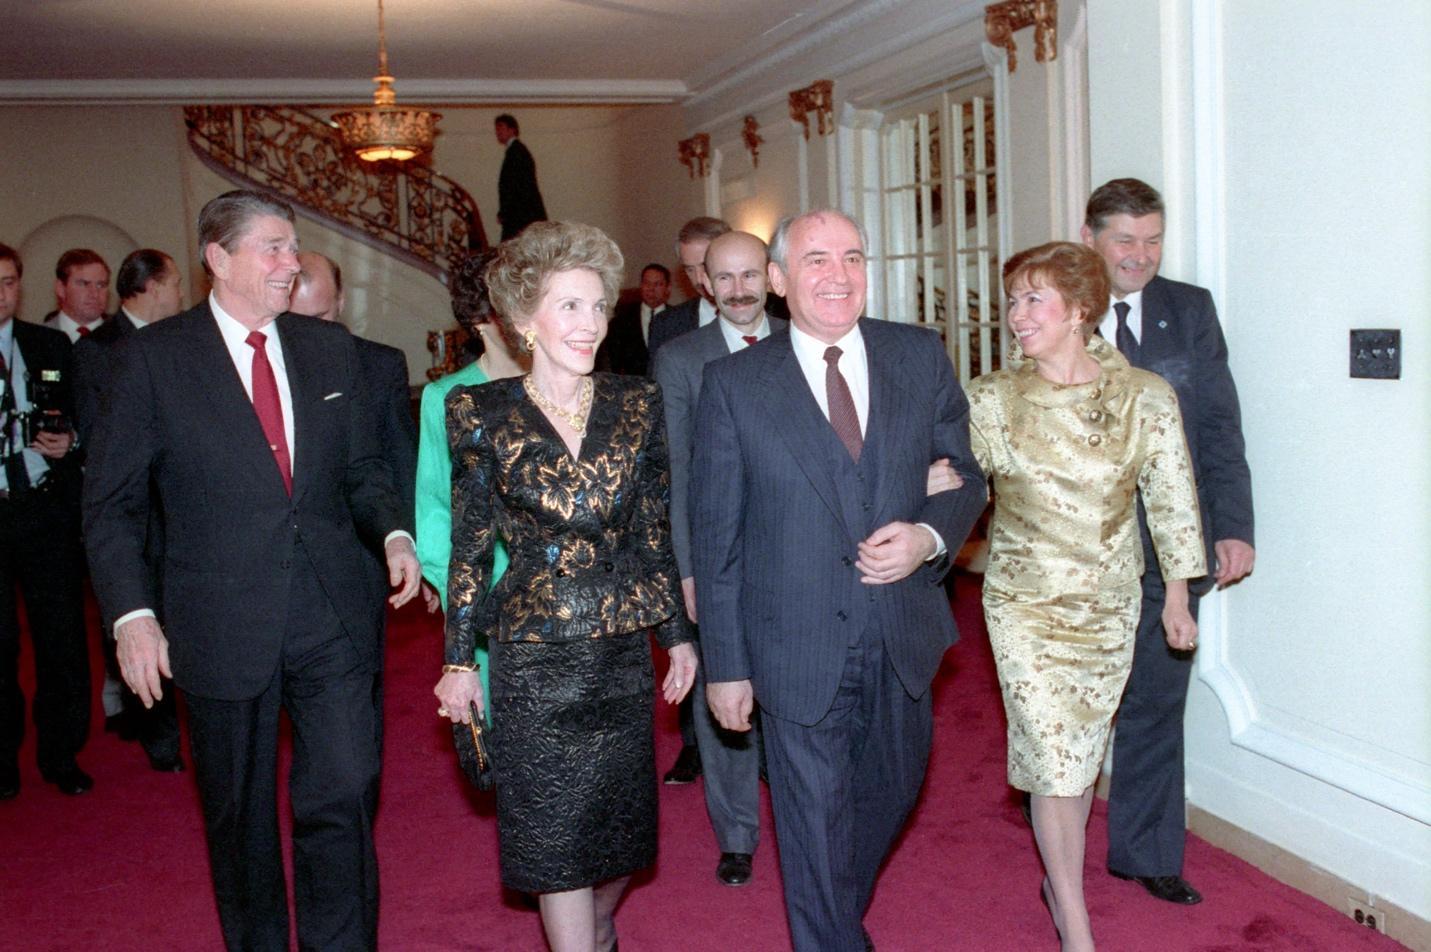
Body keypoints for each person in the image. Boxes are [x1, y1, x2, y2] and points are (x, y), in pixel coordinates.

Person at [83, 190, 421, 951]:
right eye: (272, 247)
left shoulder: (329, 349)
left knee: (345, 789)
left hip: (333, 610)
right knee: (238, 818)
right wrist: (132, 616)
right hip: (218, 619)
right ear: (218, 258)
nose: (290, 262)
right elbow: (111, 507)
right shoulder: (152, 359)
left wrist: (394, 533)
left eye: (292, 248)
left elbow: (365, 469)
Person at [691, 209, 986, 952]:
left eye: (852, 256)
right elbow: (716, 537)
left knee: (890, 791)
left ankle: (829, 909)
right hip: (790, 643)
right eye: (816, 259)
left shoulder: (916, 355)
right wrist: (725, 666)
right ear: (781, 281)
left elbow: (965, 476)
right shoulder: (732, 384)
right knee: (813, 818)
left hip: (900, 633)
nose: (838, 274)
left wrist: (924, 535)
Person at [435, 221, 697, 952]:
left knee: (620, 839)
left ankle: (599, 925)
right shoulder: (478, 412)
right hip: (531, 654)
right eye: (569, 306)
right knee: (552, 840)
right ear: (525, 321)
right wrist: (459, 660)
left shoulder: (636, 404)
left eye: (596, 306)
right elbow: (468, 545)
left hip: (617, 654)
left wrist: (675, 636)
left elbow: (651, 531)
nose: (589, 324)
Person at [967, 241, 1205, 951]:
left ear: (1078, 311)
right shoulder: (991, 398)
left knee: (1079, 759)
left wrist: (1177, 597)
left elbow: (1172, 501)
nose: (1015, 315)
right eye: (1011, 300)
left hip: (1107, 603)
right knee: (1050, 754)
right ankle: (1073, 916)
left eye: (1032, 299)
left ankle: (1057, 879)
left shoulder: (1145, 397)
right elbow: (952, 485)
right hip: (1023, 603)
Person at [1081, 179, 1254, 906]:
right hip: (1081, 551)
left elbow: (1217, 422)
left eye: (1151, 239)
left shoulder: (1190, 310)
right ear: (1090, 238)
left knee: (1156, 701)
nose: (1140, 255)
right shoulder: (1056, 308)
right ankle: (1056, 851)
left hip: (1170, 550)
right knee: (1076, 706)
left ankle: (1145, 852)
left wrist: (1235, 525)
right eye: (1124, 239)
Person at [72, 247, 185, 773]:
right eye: (177, 282)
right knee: (144, 615)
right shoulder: (100, 350)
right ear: (152, 286)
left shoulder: (184, 341)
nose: (183, 293)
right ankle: (159, 734)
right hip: (137, 515)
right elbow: (103, 443)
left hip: (185, 510)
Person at [415, 248, 527, 705]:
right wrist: (457, 600)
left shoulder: (566, 383)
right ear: (481, 320)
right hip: (488, 595)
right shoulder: (446, 397)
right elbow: (436, 507)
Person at [0, 242, 91, 799]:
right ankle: (2, 759)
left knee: (61, 641)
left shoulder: (47, 343)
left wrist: (70, 440)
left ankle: (61, 753)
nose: (2, 294)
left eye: (9, 281)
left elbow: (84, 415)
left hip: (42, 509)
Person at [647, 217, 730, 361]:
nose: (698, 279)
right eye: (690, 269)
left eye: (705, 265)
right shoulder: (666, 325)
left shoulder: (774, 315)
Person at [595, 262, 670, 376]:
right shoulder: (621, 318)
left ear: (667, 288)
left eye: (658, 284)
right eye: (646, 283)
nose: (651, 289)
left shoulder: (678, 318)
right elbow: (612, 359)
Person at [495, 114, 549, 241]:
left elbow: (517, 186)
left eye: (500, 127)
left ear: (512, 129)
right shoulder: (516, 151)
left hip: (521, 217)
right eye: (496, 128)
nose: (497, 132)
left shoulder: (517, 152)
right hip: (521, 216)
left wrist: (505, 212)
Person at [44, 249, 110, 341]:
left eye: (101, 285)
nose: (95, 294)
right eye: (84, 284)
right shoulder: (37, 339)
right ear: (61, 288)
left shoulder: (126, 339)